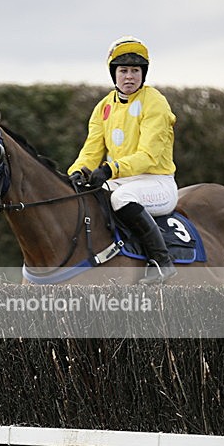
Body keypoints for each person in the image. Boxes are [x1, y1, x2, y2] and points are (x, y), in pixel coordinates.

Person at [67, 36, 178, 282]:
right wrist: (76, 172)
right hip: (121, 178)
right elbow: (91, 151)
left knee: (120, 197)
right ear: (114, 74)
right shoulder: (103, 107)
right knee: (86, 197)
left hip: (156, 182)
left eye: (135, 71)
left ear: (143, 74)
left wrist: (110, 169)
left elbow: (148, 156)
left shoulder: (155, 102)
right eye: (124, 70)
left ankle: (162, 262)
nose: (129, 76)